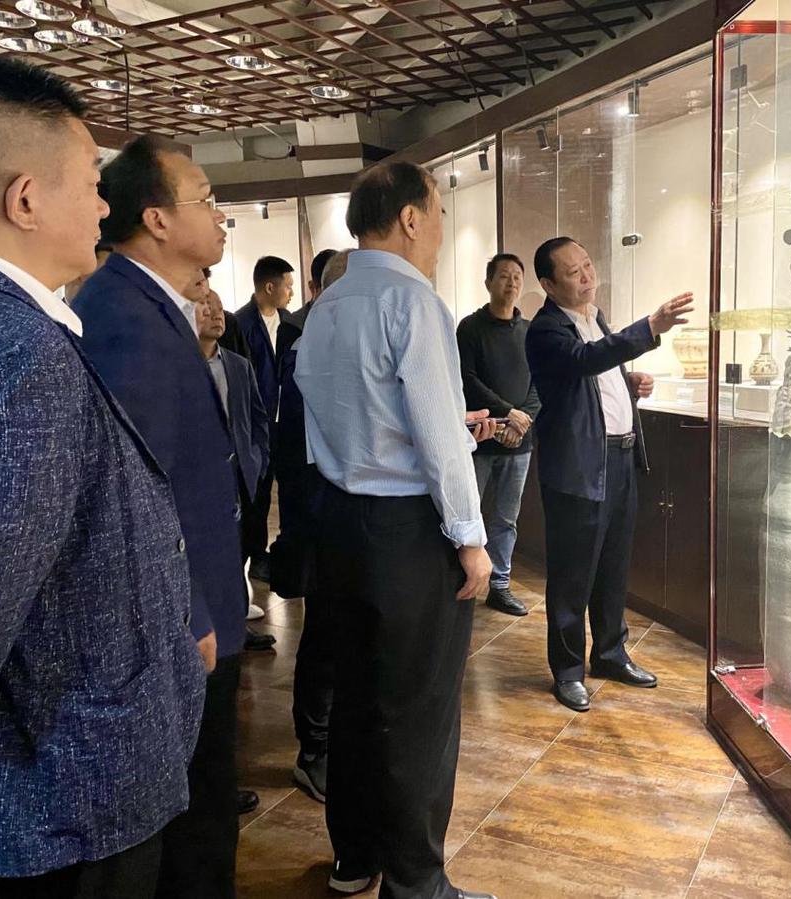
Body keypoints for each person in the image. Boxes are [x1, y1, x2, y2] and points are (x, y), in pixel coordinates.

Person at [0, 56, 205, 897]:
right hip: (64, 793)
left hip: (2, 777)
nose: (103, 207)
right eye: (91, 184)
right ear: (24, 199)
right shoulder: (21, 355)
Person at [294, 162, 498, 899]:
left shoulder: (326, 305)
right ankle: (417, 881)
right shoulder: (413, 300)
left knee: (356, 696)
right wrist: (470, 537)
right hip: (409, 530)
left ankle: (354, 859)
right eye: (438, 212)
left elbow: (327, 423)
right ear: (411, 218)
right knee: (418, 708)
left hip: (340, 520)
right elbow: (439, 436)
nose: (441, 228)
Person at [72, 136, 246, 899]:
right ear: (157, 219)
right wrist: (190, 612)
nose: (220, 216)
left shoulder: (152, 308)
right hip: (183, 623)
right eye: (205, 199)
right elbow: (134, 494)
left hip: (196, 603)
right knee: (193, 827)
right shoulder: (126, 319)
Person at [525, 236, 693, 713]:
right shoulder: (545, 329)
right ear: (548, 284)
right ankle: (568, 671)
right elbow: (584, 361)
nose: (587, 276)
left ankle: (610, 654)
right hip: (579, 468)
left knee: (614, 566)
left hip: (619, 459)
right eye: (573, 271)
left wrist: (627, 384)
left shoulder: (594, 317)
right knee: (572, 575)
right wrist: (650, 327)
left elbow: (596, 375)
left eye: (587, 264)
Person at [273, 248, 349, 805]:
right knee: (324, 636)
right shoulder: (305, 348)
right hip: (324, 520)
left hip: (355, 520)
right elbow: (300, 450)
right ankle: (314, 750)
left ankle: (336, 739)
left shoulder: (351, 341)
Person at [184, 272, 276, 650]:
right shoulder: (180, 367)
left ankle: (235, 627)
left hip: (239, 473)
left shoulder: (238, 365)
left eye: (220, 309)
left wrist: (257, 459)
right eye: (207, 307)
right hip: (200, 478)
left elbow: (257, 418)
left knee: (238, 551)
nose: (217, 315)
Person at [456, 253, 541, 616]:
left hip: (520, 441)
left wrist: (522, 422)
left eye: (517, 276)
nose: (511, 282)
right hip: (479, 437)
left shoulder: (530, 331)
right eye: (504, 276)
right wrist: (508, 415)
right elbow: (467, 380)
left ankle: (500, 585)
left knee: (507, 518)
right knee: (467, 510)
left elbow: (540, 383)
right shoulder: (469, 328)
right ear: (488, 282)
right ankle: (462, 581)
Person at [234, 255, 295, 582]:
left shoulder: (289, 322)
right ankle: (256, 556)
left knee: (286, 487)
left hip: (286, 420)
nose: (291, 292)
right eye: (288, 286)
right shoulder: (241, 324)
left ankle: (282, 549)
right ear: (269, 287)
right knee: (257, 493)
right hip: (258, 422)